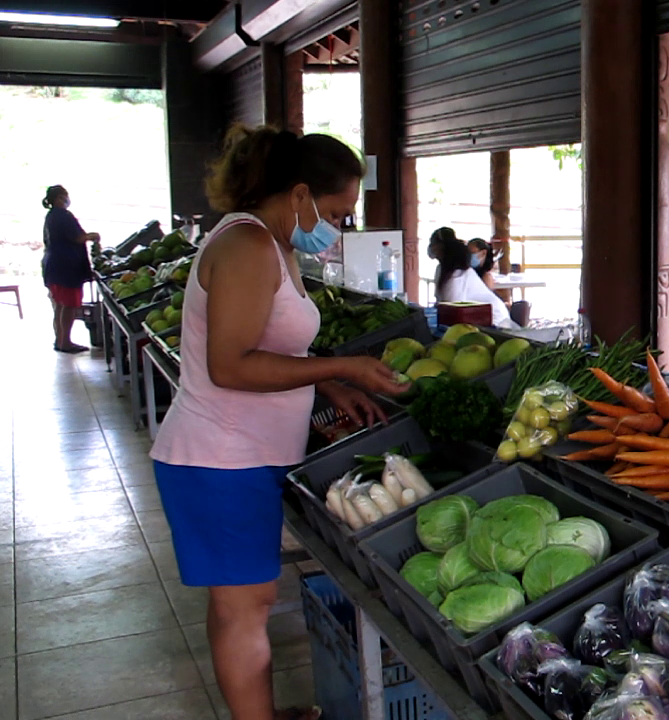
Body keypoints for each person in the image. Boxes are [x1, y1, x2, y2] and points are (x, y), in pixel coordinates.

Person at [149, 125, 409, 720]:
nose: (339, 229)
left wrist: (327, 381)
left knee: (244, 599)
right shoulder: (244, 246)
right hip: (218, 459)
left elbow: (275, 348)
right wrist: (343, 364)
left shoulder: (275, 244)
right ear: (300, 194)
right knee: (245, 606)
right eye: (338, 213)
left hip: (246, 454)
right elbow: (229, 365)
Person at [41, 185, 98, 353]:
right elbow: (78, 237)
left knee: (59, 305)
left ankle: (60, 339)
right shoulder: (63, 216)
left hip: (54, 265)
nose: (67, 199)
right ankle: (65, 342)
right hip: (66, 267)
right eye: (65, 196)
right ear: (59, 198)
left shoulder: (51, 216)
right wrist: (92, 236)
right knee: (69, 306)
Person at [436, 235, 518, 328]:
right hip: (483, 319)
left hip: (494, 321)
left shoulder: (459, 275)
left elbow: (453, 308)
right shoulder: (451, 272)